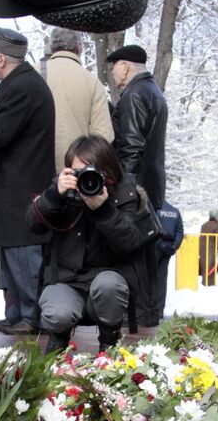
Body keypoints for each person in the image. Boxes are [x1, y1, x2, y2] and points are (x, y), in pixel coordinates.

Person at [28, 134, 154, 353]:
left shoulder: (124, 192)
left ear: (108, 171)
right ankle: (58, 343)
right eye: (79, 173)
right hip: (67, 281)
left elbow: (130, 242)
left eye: (93, 172)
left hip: (107, 280)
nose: (86, 178)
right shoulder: (61, 190)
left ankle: (109, 342)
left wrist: (103, 209)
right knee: (58, 313)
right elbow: (32, 225)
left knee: (108, 285)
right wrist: (53, 197)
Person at [0, 27, 54, 335]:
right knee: (12, 252)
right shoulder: (24, 83)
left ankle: (29, 315)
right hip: (16, 186)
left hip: (21, 188)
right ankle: (16, 313)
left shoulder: (23, 87)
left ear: (0, 58)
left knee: (22, 252)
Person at [106, 43, 167, 324]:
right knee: (147, 256)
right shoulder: (154, 91)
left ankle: (141, 317)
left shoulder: (133, 94)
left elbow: (131, 145)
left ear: (125, 66)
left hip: (137, 186)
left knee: (135, 252)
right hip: (152, 183)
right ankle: (149, 314)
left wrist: (126, 189)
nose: (112, 73)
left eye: (114, 66)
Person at [43, 27, 112, 170]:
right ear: (79, 47)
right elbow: (103, 136)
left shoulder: (33, 73)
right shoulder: (92, 82)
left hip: (34, 170)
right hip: (75, 172)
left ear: (52, 46)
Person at [154, 199, 183, 316]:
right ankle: (160, 310)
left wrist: (159, 244)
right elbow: (180, 231)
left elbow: (151, 229)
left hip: (155, 247)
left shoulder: (155, 210)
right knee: (162, 280)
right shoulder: (175, 211)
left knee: (150, 279)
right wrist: (174, 246)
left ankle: (151, 310)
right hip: (169, 248)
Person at [198, 208, 218, 286]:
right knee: (211, 268)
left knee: (205, 267)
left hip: (202, 250)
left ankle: (204, 283)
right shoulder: (217, 226)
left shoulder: (204, 225)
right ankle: (210, 285)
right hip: (211, 250)